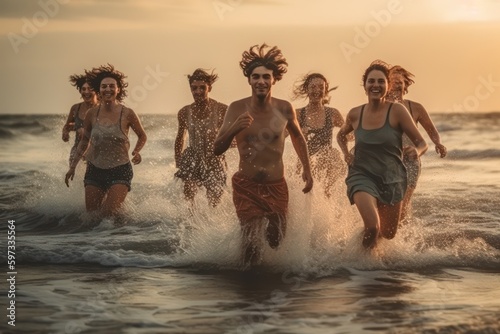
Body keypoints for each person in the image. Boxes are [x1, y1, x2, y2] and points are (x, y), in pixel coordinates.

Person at [214, 43, 314, 267]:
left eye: (266, 77)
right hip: (246, 185)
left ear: (274, 80)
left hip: (276, 185)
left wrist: (307, 169)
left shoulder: (285, 108)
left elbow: (298, 138)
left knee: (276, 240)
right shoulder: (236, 108)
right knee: (250, 245)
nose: (261, 81)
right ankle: (250, 292)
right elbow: (217, 148)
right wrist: (234, 129)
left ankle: (267, 291)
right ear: (248, 80)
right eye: (256, 77)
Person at [336, 60, 428, 249]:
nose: (375, 85)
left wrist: (417, 151)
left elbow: (422, 142)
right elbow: (341, 135)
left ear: (387, 85)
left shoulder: (397, 111)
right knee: (372, 227)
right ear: (365, 86)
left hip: (392, 178)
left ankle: (360, 255)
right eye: (371, 81)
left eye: (380, 81)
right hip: (362, 175)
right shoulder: (355, 113)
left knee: (387, 234)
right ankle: (357, 265)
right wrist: (346, 154)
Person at [65, 64, 147, 220]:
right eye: (104, 86)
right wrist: (73, 166)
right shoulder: (91, 114)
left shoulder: (127, 113)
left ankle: (118, 238)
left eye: (111, 86)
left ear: (118, 90)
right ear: (99, 90)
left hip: (120, 170)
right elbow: (84, 142)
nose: (108, 89)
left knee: (108, 217)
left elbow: (142, 136)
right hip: (94, 170)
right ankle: (93, 245)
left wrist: (137, 151)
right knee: (92, 218)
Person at [387, 65, 447, 221]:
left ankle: (401, 237)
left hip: (411, 160)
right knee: (387, 201)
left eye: (400, 82)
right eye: (393, 82)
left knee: (404, 202)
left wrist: (438, 143)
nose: (396, 85)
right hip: (387, 160)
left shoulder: (416, 108)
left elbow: (431, 131)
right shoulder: (380, 106)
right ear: (387, 84)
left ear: (405, 85)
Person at [174, 69, 228, 207]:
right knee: (189, 199)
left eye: (202, 87)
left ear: (209, 88)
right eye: (194, 88)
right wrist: (178, 161)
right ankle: (188, 226)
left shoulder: (222, 109)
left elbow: (232, 134)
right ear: (190, 89)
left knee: (214, 203)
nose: (198, 91)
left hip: (215, 159)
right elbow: (180, 137)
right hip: (192, 158)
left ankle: (210, 227)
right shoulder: (184, 112)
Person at [292, 72, 347, 198]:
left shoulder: (332, 113)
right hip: (303, 165)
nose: (317, 90)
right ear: (307, 89)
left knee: (333, 154)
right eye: (313, 87)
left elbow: (349, 135)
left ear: (325, 90)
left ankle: (329, 194)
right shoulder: (298, 114)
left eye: (321, 87)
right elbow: (280, 136)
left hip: (325, 167)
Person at [62, 72, 98, 163]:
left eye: (90, 89)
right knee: (72, 176)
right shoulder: (75, 108)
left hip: (95, 152)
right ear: (80, 91)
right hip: (76, 150)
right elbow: (68, 125)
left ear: (96, 91)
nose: (86, 92)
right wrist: (65, 132)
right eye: (83, 89)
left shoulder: (102, 108)